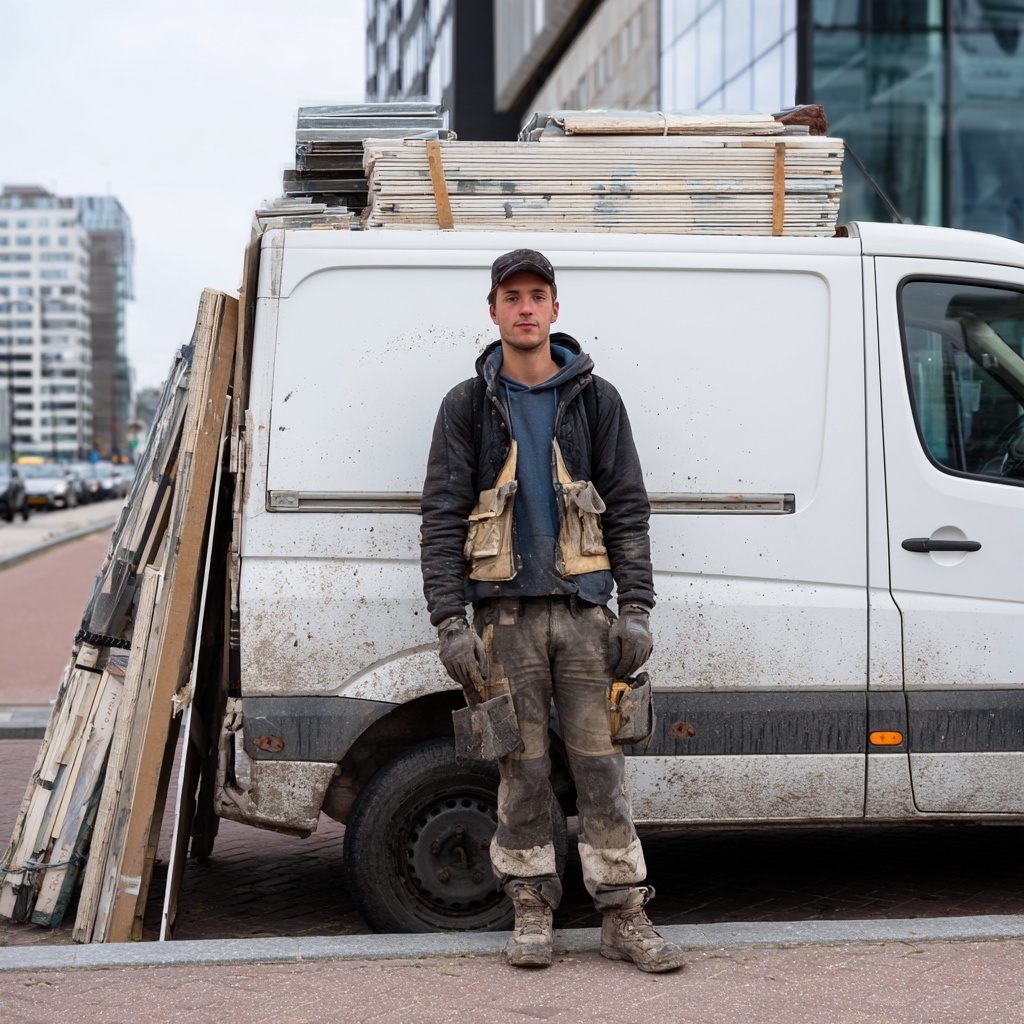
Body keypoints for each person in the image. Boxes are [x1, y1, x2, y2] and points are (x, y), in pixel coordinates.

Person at [420, 249, 685, 974]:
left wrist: (636, 610)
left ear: (556, 309)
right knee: (522, 771)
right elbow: (442, 518)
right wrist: (450, 623)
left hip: (584, 619)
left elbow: (627, 510)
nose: (526, 308)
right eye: (513, 297)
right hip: (503, 625)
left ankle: (623, 915)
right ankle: (531, 909)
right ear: (495, 311)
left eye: (538, 295)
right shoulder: (467, 406)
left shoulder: (596, 401)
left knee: (602, 773)